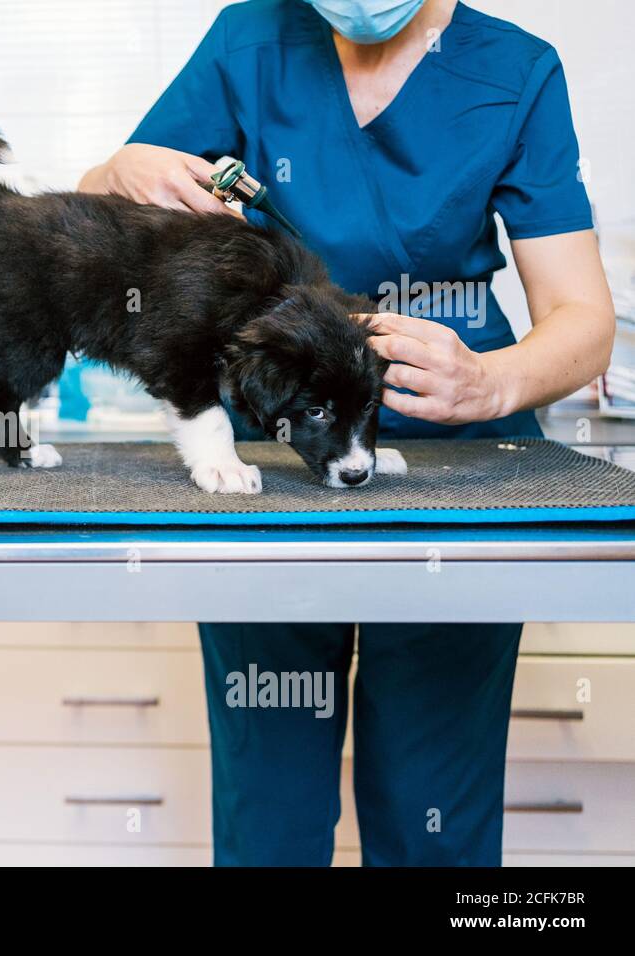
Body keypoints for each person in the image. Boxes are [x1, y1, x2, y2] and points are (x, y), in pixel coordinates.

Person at [79, 0, 615, 865]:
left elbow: (585, 319)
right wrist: (117, 167)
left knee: (430, 814)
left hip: (453, 487)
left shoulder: (515, 71)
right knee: (270, 819)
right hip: (264, 477)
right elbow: (106, 209)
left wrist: (491, 381)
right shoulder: (251, 40)